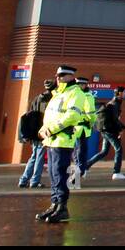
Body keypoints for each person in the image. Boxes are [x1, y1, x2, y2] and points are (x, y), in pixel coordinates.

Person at [35, 65, 86, 224]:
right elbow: (49, 116)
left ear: (71, 77)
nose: (58, 78)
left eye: (62, 75)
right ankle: (55, 204)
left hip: (62, 140)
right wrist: (43, 131)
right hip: (51, 140)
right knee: (52, 172)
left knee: (59, 173)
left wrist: (51, 130)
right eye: (57, 75)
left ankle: (62, 207)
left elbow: (71, 116)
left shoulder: (75, 93)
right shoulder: (57, 94)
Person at [85, 85, 125, 179]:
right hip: (110, 131)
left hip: (106, 129)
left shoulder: (114, 103)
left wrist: (122, 127)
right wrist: (122, 128)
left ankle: (85, 166)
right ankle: (116, 172)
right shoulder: (115, 104)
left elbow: (114, 119)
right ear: (119, 93)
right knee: (119, 149)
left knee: (104, 151)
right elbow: (115, 119)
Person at [17, 79, 55, 188]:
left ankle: (23, 180)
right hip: (41, 133)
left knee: (34, 156)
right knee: (40, 157)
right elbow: (45, 118)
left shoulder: (37, 98)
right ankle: (35, 180)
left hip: (34, 132)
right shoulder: (49, 100)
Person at [72, 77, 97, 182]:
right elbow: (90, 112)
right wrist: (92, 122)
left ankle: (79, 171)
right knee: (81, 151)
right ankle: (80, 171)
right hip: (81, 128)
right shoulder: (86, 95)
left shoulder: (77, 95)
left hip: (76, 128)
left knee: (77, 151)